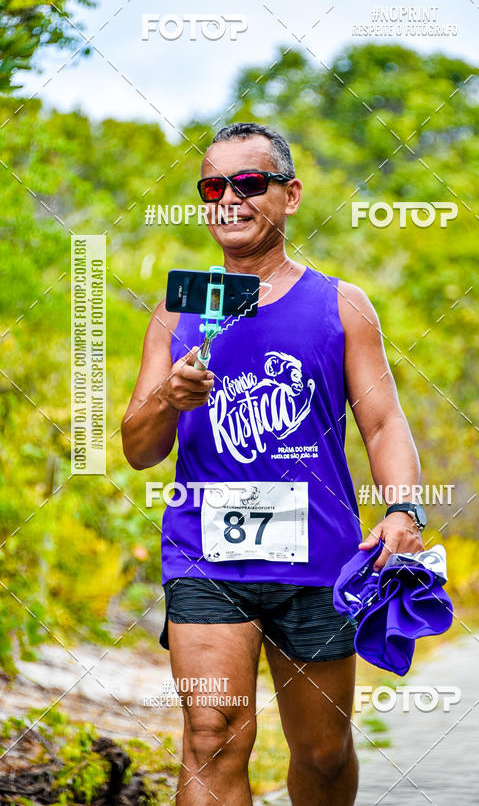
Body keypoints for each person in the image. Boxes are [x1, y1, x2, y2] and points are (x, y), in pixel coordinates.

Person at [121, 122, 424, 805]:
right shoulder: (181, 304)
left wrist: (405, 509)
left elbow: (382, 422)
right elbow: (140, 447)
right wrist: (169, 397)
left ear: (289, 196)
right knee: (210, 733)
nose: (228, 198)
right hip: (205, 558)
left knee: (321, 752)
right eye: (213, 186)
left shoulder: (341, 304)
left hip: (318, 558)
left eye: (249, 183)